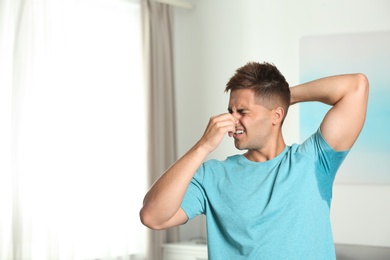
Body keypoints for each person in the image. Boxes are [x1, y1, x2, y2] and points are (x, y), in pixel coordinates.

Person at [140, 61, 369, 259]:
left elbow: (356, 86)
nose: (232, 120)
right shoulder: (213, 175)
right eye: (230, 111)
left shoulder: (313, 161)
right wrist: (203, 146)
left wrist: (284, 97)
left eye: (243, 111)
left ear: (276, 115)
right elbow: (153, 217)